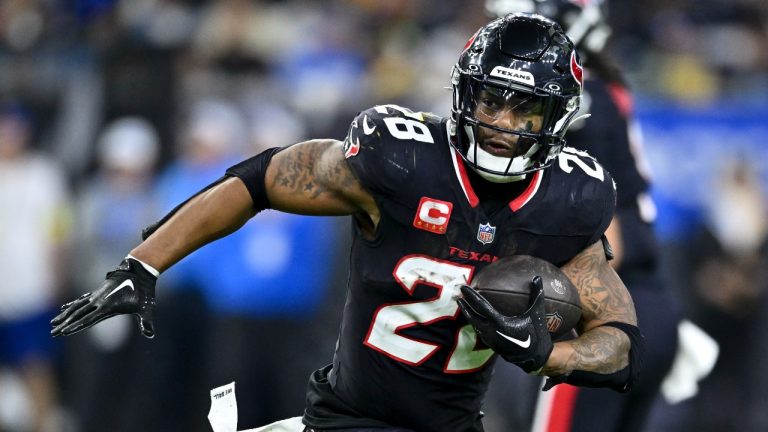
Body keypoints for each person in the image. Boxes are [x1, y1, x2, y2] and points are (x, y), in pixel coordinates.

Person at [51, 14, 643, 432]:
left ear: (558, 117)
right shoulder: (404, 158)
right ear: (466, 94)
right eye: (491, 100)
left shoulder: (572, 198)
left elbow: (618, 339)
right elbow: (262, 179)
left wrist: (550, 355)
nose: (503, 123)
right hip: (352, 418)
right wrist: (144, 262)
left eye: (525, 108)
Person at [485, 2, 680, 432]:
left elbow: (609, 244)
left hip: (605, 314)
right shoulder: (610, 87)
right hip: (651, 306)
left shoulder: (578, 103)